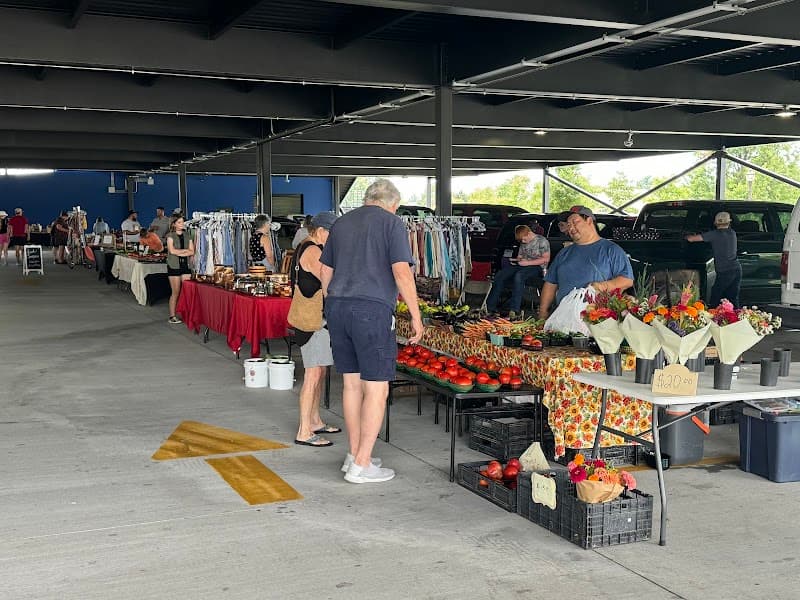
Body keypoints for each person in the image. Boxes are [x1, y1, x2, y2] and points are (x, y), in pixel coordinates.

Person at [320, 179, 423, 484]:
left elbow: (326, 271)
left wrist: (335, 302)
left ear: (367, 199)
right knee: (377, 388)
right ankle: (362, 464)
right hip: (372, 311)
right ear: (392, 204)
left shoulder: (341, 223)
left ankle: (355, 454)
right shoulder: (391, 223)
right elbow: (402, 271)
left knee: (351, 385)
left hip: (338, 307)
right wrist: (416, 317)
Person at [290, 211, 341, 448]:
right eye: (333, 233)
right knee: (312, 375)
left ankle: (315, 420)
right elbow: (330, 285)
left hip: (317, 320)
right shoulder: (313, 251)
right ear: (320, 231)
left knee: (319, 372)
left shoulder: (306, 245)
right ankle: (304, 430)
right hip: (312, 322)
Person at [539, 205, 634, 319]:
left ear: (589, 220)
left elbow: (627, 281)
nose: (571, 228)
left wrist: (603, 286)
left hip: (597, 320)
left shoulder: (611, 250)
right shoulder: (564, 253)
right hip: (562, 318)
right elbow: (550, 283)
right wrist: (543, 312)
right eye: (569, 225)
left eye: (575, 222)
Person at [485, 224, 550, 317]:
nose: (523, 242)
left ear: (529, 233)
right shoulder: (523, 242)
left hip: (537, 267)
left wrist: (527, 262)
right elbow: (520, 256)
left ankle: (514, 309)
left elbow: (545, 259)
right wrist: (516, 260)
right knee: (501, 274)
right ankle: (490, 307)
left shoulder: (542, 241)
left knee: (519, 275)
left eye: (524, 239)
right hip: (523, 265)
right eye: (521, 240)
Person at [686, 211, 741, 307]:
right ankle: (736, 317)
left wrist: (687, 236)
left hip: (725, 272)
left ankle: (712, 317)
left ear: (715, 223)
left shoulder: (714, 234)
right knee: (732, 297)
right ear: (729, 222)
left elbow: (691, 239)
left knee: (715, 297)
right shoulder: (732, 233)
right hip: (736, 269)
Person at [166, 215, 195, 324]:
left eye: (182, 222)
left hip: (186, 266)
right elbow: (172, 251)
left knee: (188, 291)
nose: (182, 224)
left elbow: (192, 251)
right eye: (179, 222)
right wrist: (185, 251)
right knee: (176, 292)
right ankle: (172, 316)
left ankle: (187, 314)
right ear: (174, 224)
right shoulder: (170, 236)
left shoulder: (188, 235)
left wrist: (181, 251)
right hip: (174, 266)